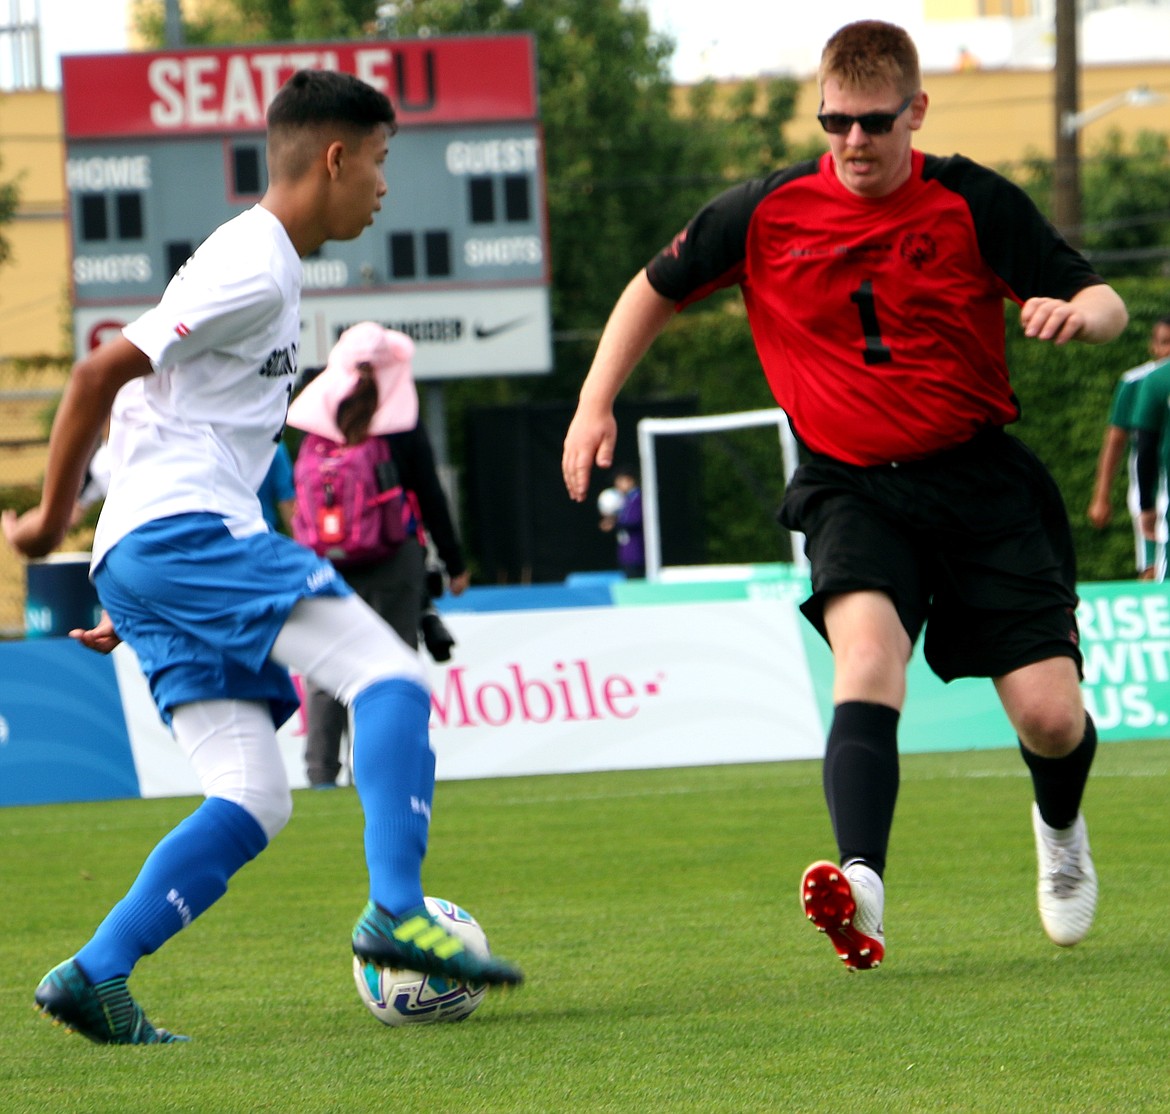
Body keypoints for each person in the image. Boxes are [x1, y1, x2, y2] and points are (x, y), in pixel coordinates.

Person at [562, 20, 1127, 971]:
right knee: (867, 658)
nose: (854, 143)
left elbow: (1107, 300)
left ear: (916, 111)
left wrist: (1081, 315)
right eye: (836, 124)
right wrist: (593, 403)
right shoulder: (764, 211)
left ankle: (1061, 830)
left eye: (873, 123)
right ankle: (859, 884)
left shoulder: (974, 202)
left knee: (1049, 718)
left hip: (979, 480)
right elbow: (651, 288)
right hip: (850, 485)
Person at [3, 68, 521, 1046]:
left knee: (253, 792)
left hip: (156, 549)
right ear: (334, 157)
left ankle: (94, 975)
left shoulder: (264, 270)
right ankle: (397, 911)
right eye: (378, 162)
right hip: (176, 532)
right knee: (391, 675)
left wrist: (135, 576)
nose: (381, 187)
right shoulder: (256, 262)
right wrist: (45, 521)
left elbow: (155, 410)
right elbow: (100, 369)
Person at [286, 321, 470, 789]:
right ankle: (388, 774)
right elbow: (429, 495)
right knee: (392, 667)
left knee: (327, 669)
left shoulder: (318, 415)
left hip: (324, 563)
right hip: (393, 561)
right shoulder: (398, 422)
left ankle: (321, 776)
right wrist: (454, 562)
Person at [1087, 315, 1170, 579]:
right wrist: (1101, 496)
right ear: (1153, 347)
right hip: (1150, 488)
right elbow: (1116, 440)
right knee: (1152, 566)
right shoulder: (1137, 382)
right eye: (1165, 343)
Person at [598, 466, 644, 578]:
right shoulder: (626, 499)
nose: (617, 485)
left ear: (629, 480)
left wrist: (614, 523)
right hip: (626, 553)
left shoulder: (637, 498)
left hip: (636, 552)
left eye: (620, 481)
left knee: (636, 582)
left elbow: (634, 520)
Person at [257, 440, 297, 534]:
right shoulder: (273, 447)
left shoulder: (218, 447)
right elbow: (287, 503)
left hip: (221, 535)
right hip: (263, 534)